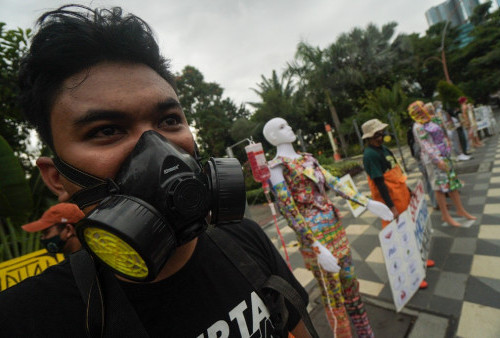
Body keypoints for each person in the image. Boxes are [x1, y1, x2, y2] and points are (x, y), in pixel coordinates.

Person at [0, 5, 311, 337]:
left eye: (169, 121)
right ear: (56, 178)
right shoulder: (27, 319)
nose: (159, 148)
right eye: (106, 130)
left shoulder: (244, 241)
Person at [263, 117, 393, 338]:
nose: (290, 127)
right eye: (282, 127)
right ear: (273, 137)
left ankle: (365, 332)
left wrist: (367, 202)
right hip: (316, 240)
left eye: (288, 123)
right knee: (333, 296)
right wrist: (315, 246)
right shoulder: (277, 168)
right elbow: (289, 210)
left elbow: (334, 182)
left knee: (351, 285)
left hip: (336, 232)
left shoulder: (308, 159)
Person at [362, 118, 434, 289]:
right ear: (369, 137)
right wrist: (391, 207)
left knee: (410, 231)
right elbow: (379, 183)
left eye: (382, 133)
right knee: (400, 239)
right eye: (377, 135)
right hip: (391, 202)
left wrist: (409, 191)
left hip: (401, 196)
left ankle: (419, 262)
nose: (381, 137)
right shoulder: (370, 155)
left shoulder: (383, 149)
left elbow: (397, 173)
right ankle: (411, 277)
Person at [408, 101, 476, 227]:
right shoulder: (418, 126)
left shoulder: (430, 121)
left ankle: (460, 209)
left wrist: (447, 148)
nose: (425, 107)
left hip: (444, 157)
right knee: (439, 187)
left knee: (452, 183)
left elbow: (442, 134)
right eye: (422, 106)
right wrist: (437, 160)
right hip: (434, 161)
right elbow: (426, 145)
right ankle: (445, 215)